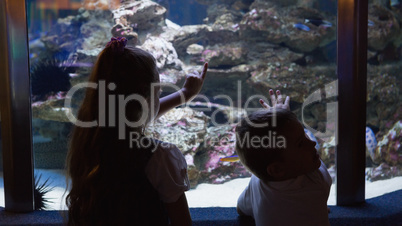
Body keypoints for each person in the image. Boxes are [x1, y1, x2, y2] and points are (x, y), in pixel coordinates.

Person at [65, 37, 208, 226]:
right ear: (146, 100)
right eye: (159, 90)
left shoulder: (89, 142)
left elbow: (135, 114)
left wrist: (184, 94)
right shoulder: (160, 158)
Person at [236, 89, 332, 226]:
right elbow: (315, 163)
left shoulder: (257, 181)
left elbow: (241, 209)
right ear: (277, 169)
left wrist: (284, 121)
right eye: (300, 143)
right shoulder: (316, 182)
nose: (312, 142)